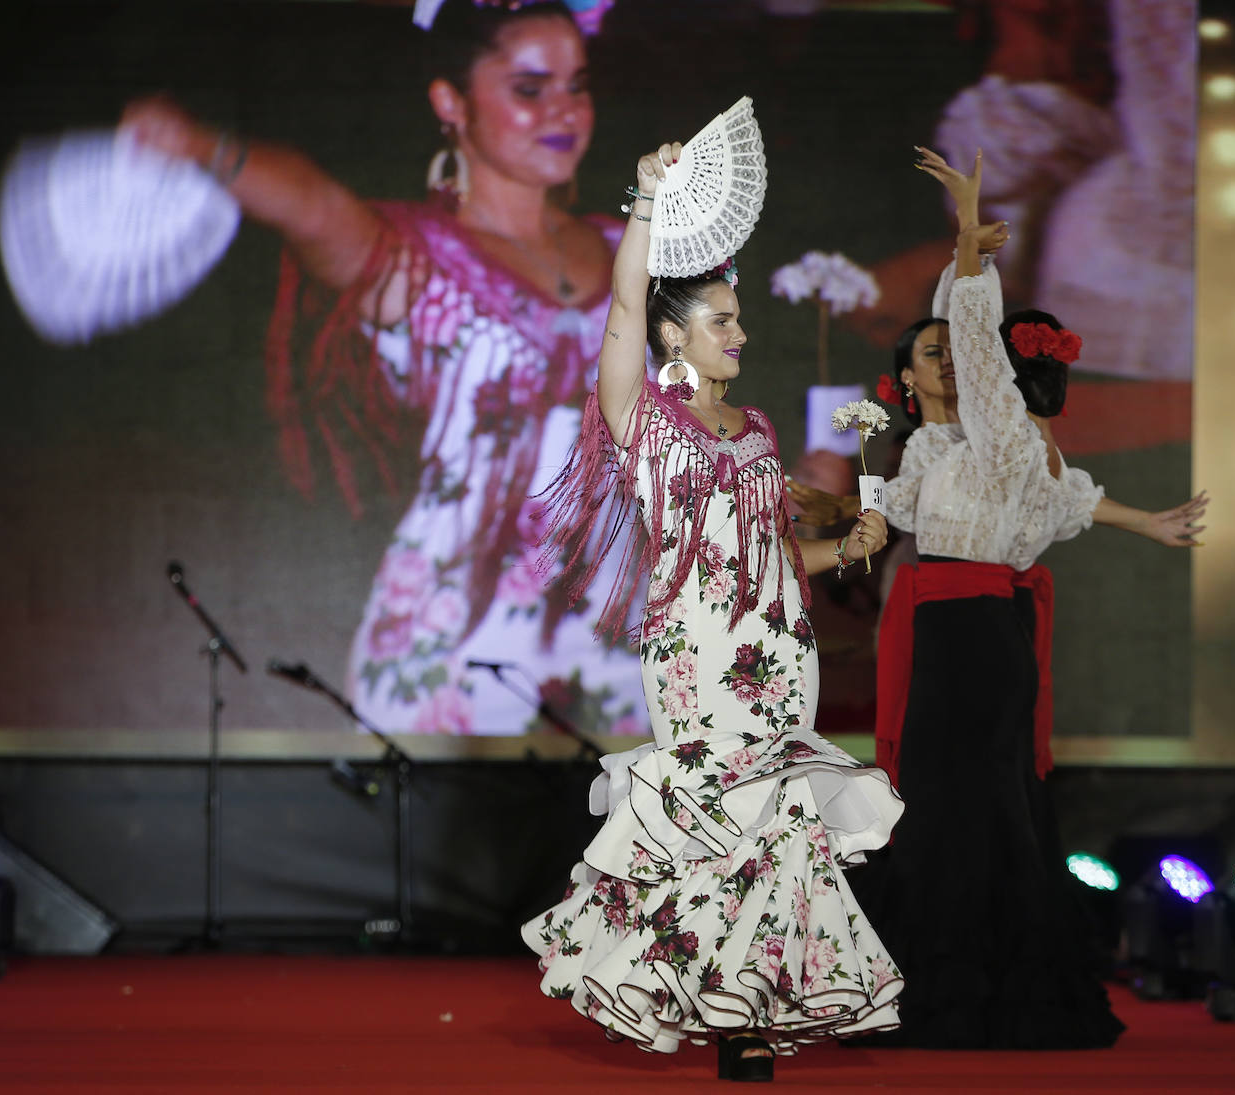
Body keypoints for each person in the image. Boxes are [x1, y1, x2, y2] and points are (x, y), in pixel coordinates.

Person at [120, 0, 645, 734]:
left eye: (577, 85)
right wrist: (201, 147)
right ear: (450, 103)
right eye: (530, 89)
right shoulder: (416, 257)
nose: (564, 110)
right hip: (451, 653)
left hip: (630, 651)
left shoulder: (640, 250)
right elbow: (312, 207)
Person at [521, 140, 906, 1080]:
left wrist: (843, 548)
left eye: (737, 320)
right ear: (673, 337)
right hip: (697, 649)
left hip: (780, 645)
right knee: (713, 818)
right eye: (722, 321)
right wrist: (647, 202)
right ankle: (690, 993)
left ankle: (747, 1014)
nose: (739, 335)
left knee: (777, 826)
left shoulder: (761, 430)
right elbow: (622, 301)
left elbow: (769, 550)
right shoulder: (644, 420)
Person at [851, 145, 1207, 1049]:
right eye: (934, 354)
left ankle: (978, 989)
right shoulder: (965, 454)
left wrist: (969, 249)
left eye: (963, 358)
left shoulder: (1004, 436)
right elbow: (1060, 499)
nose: (955, 364)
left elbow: (976, 341)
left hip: (975, 635)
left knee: (969, 808)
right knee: (957, 806)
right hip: (957, 631)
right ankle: (960, 984)